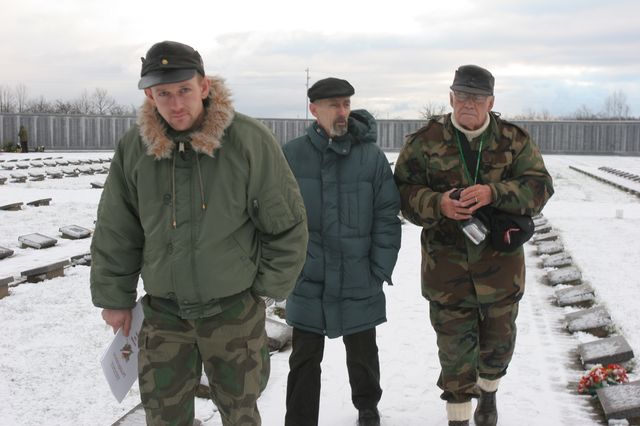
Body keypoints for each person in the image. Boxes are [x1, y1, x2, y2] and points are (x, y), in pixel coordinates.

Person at [90, 40, 308, 426]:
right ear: (150, 96)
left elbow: (286, 223)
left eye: (184, 90)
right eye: (164, 94)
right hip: (164, 316)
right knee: (163, 415)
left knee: (241, 413)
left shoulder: (247, 140)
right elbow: (117, 228)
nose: (176, 104)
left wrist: (263, 290)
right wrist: (114, 297)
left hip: (232, 312)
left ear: (204, 86)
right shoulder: (135, 149)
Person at [393, 65, 554, 426]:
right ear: (451, 98)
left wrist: (494, 193)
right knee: (454, 353)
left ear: (490, 102)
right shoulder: (425, 141)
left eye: (477, 98)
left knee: (498, 347)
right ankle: (459, 417)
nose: (469, 103)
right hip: (446, 271)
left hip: (501, 269)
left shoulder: (514, 140)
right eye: (463, 96)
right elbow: (401, 191)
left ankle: (489, 391)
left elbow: (540, 187)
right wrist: (438, 204)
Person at [282, 77, 401, 426]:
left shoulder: (370, 157)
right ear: (313, 109)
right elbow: (276, 217)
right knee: (304, 357)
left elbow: (387, 216)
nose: (342, 112)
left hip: (359, 273)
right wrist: (289, 268)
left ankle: (368, 406)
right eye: (334, 105)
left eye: (346, 104)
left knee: (363, 351)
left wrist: (379, 269)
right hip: (308, 276)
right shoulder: (291, 156)